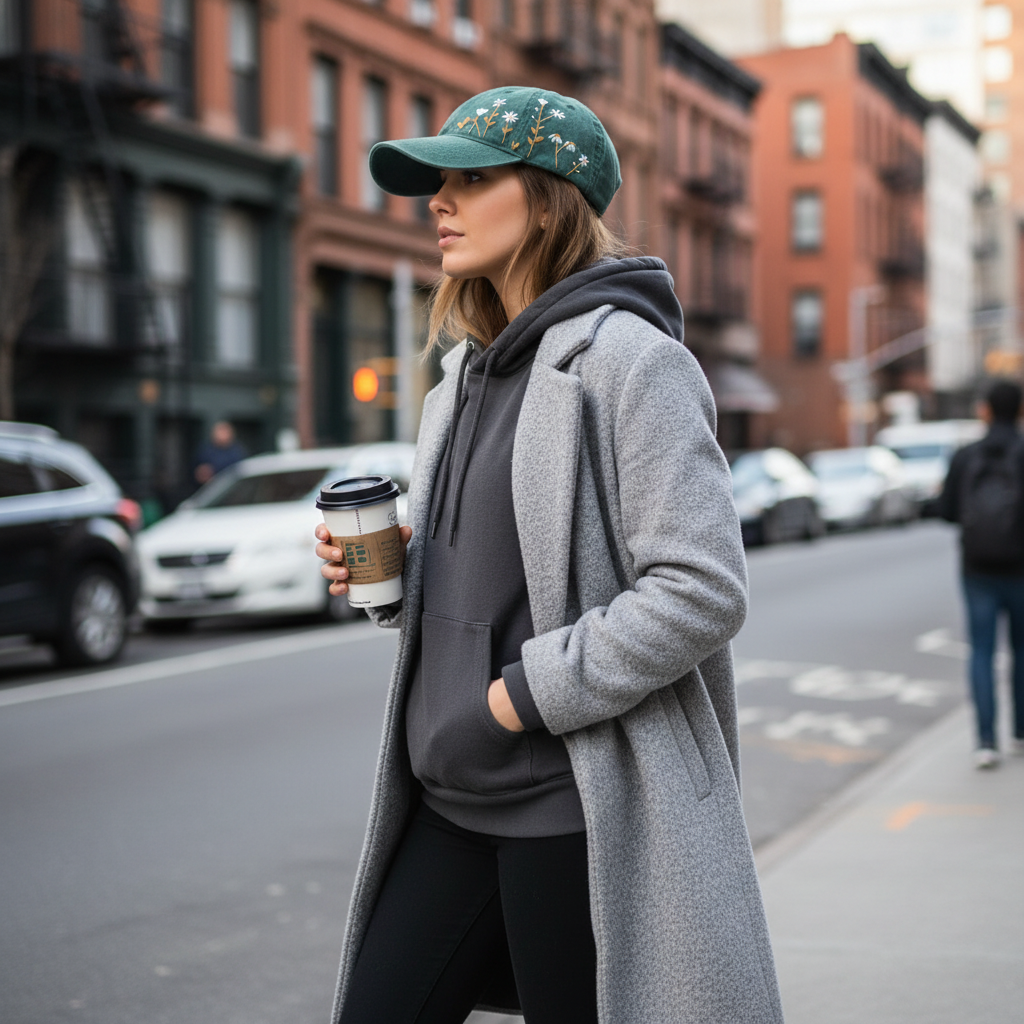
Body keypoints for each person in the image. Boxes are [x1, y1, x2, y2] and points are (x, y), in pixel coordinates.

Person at [315, 86, 783, 1024]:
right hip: (446, 801)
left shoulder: (629, 363)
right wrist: (402, 579)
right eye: (438, 183)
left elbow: (701, 588)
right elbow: (509, 578)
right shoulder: (459, 378)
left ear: (547, 195)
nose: (439, 201)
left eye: (471, 179)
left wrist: (519, 697)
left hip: (569, 810)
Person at [939, 379, 1024, 769]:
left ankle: (985, 742)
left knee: (982, 651)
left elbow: (947, 511)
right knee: (1021, 650)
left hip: (977, 569)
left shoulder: (966, 456)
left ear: (986, 409)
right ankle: (1020, 733)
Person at [193, 420, 246, 485]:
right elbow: (197, 469)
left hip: (229, 486)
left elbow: (238, 471)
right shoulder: (206, 450)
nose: (221, 434)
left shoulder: (237, 452)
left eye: (224, 431)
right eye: (219, 431)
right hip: (208, 487)